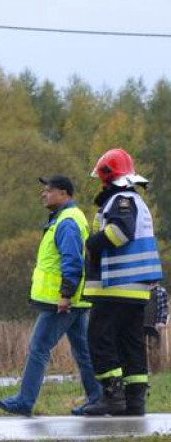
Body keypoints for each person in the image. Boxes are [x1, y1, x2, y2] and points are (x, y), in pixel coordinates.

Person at [0, 176, 102, 417]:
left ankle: (24, 400)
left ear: (64, 194)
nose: (44, 194)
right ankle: (98, 397)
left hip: (62, 302)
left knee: (38, 347)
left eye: (49, 191)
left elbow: (72, 261)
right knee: (82, 350)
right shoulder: (68, 219)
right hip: (76, 300)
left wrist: (65, 294)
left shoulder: (66, 222)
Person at [79, 148, 163, 416]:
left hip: (116, 285)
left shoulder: (121, 200)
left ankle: (112, 396)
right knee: (131, 343)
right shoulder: (136, 200)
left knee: (99, 338)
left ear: (107, 175)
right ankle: (134, 400)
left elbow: (119, 232)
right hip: (136, 288)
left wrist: (92, 243)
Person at [144, 284, 168, 371]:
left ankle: (155, 370)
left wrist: (161, 321)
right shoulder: (141, 289)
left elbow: (164, 308)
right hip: (140, 324)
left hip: (154, 326)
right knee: (139, 348)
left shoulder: (161, 291)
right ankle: (144, 369)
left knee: (154, 347)